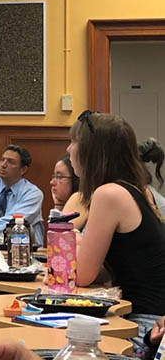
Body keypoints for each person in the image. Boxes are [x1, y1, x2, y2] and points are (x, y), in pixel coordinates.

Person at [69, 110, 165, 353]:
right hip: (151, 321)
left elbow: (82, 275)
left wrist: (69, 233)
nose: (69, 150)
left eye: (73, 142)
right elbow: (104, 271)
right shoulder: (137, 190)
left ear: (91, 152)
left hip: (142, 327)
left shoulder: (109, 194)